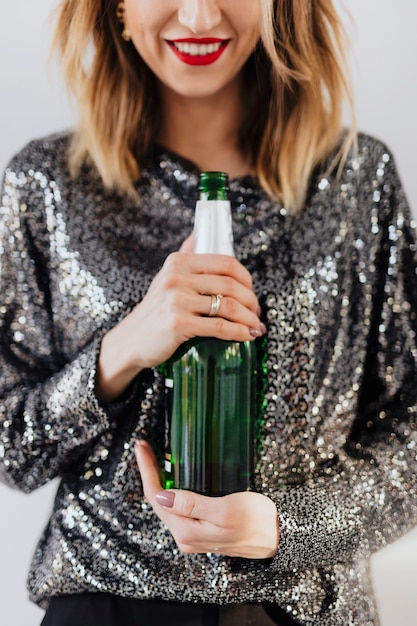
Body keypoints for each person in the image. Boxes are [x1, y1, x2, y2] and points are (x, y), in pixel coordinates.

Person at [1, 0, 416, 624]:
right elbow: (10, 448)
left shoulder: (358, 180)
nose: (198, 17)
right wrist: (122, 349)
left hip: (300, 607)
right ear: (115, 9)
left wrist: (290, 527)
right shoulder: (47, 186)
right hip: (106, 601)